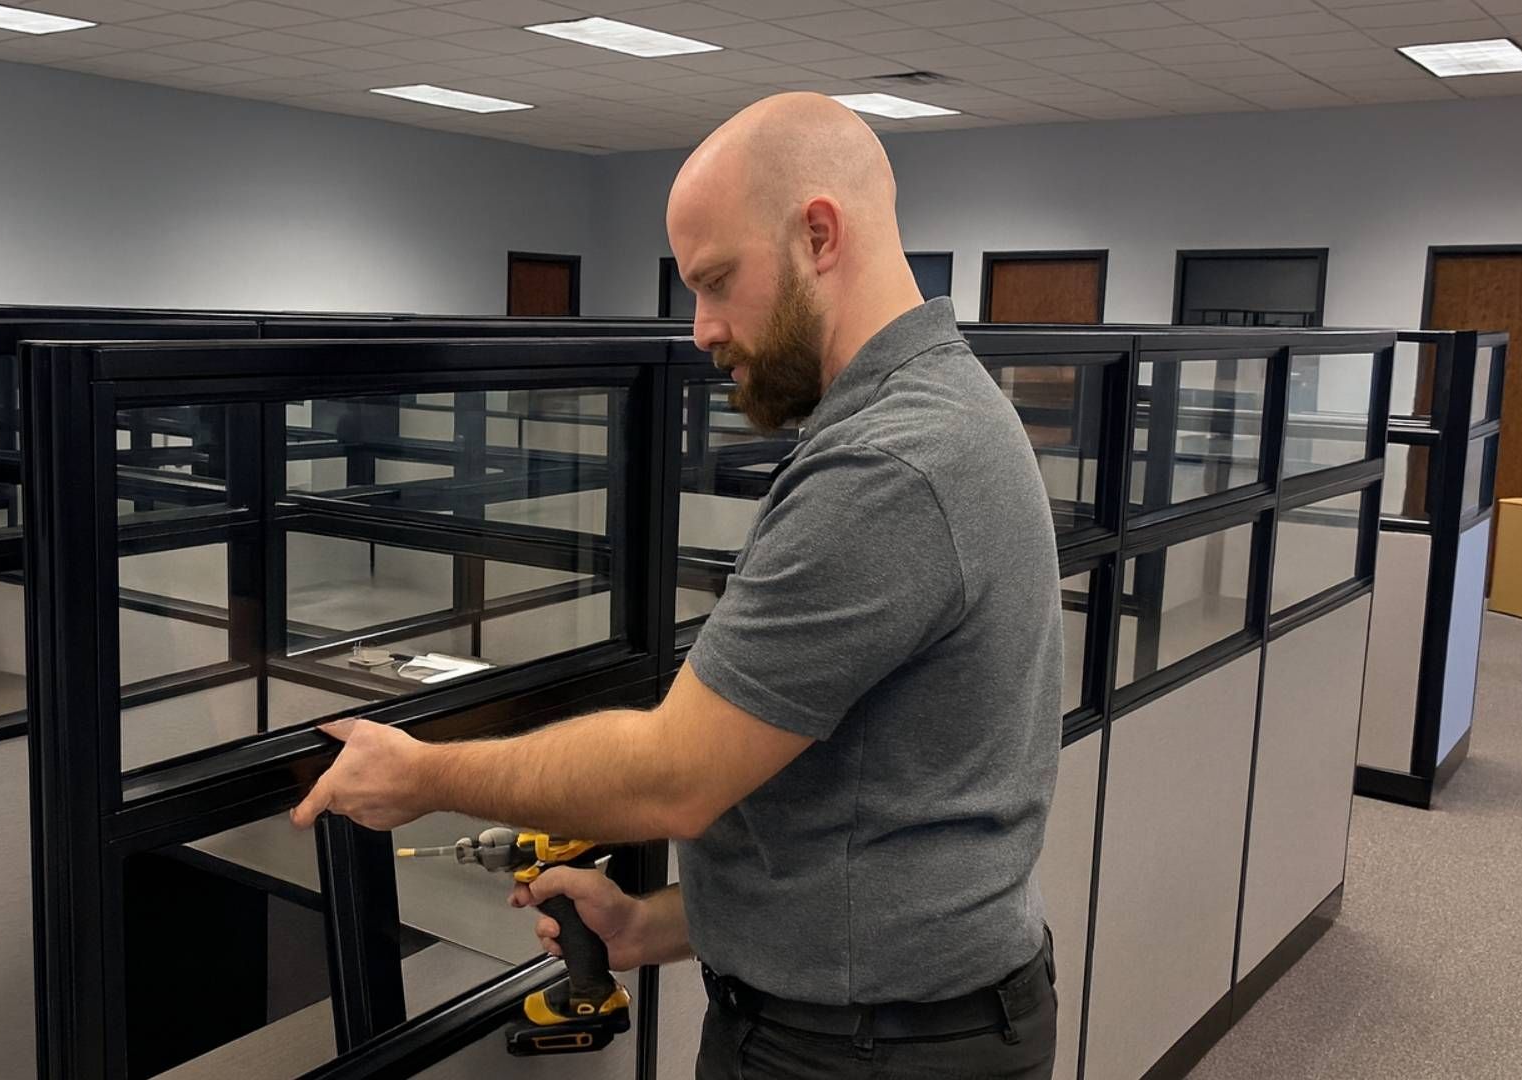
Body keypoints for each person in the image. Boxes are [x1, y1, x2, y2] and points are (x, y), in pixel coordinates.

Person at [291, 91, 1064, 1078]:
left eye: (714, 281)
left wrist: (422, 773)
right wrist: (656, 926)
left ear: (819, 234)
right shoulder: (952, 413)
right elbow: (872, 814)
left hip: (859, 1053)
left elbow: (674, 774)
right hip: (895, 1024)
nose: (699, 329)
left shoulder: (889, 470)